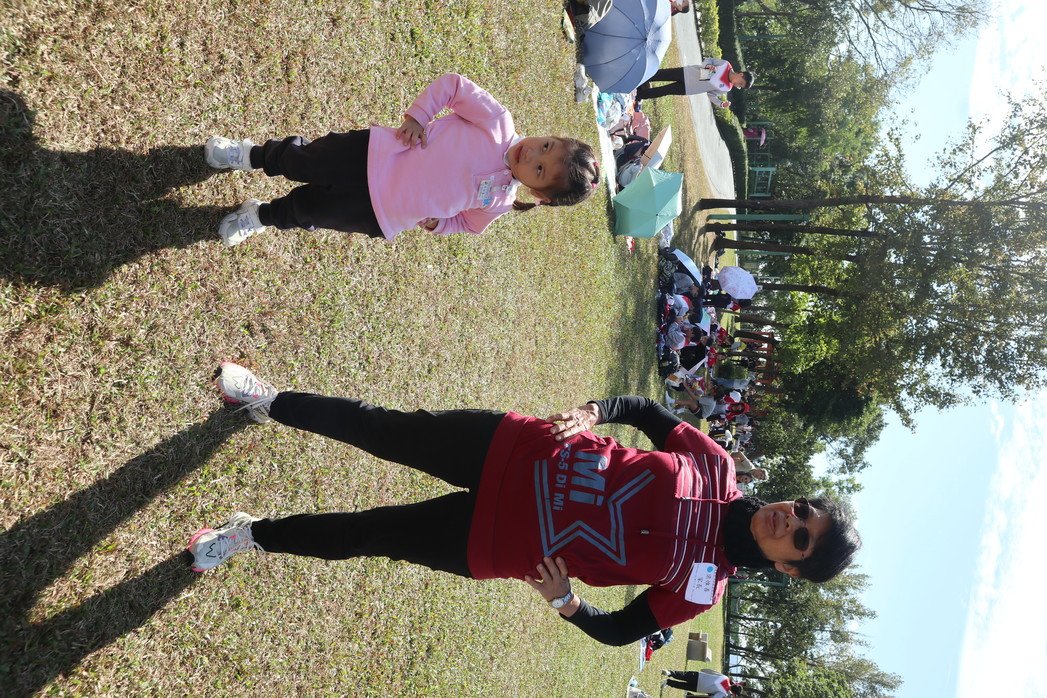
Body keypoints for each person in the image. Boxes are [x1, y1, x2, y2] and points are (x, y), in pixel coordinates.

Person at [187, 363, 861, 645]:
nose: (791, 519)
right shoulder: (716, 466)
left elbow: (621, 632)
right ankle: (269, 401)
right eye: (804, 508)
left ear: (789, 567)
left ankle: (251, 535)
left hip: (494, 543)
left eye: (801, 538)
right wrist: (594, 411)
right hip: (514, 450)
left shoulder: (702, 589)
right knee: (381, 428)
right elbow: (645, 410)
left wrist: (567, 603)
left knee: (368, 535)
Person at [204, 73, 600, 246]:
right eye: (546, 145)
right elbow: (454, 86)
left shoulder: (499, 201)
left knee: (310, 211)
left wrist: (440, 224)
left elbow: (466, 223)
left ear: (538, 193)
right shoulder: (497, 122)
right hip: (372, 155)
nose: (533, 153)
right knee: (302, 161)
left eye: (540, 169)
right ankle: (251, 154)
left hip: (381, 213)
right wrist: (419, 117)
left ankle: (260, 215)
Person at [635, 60, 754, 105]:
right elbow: (708, 60)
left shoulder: (727, 88)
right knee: (660, 75)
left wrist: (720, 103)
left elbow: (711, 94)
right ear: (741, 75)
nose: (738, 85)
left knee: (663, 91)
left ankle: (638, 95)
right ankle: (635, 78)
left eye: (740, 86)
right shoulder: (725, 65)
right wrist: (708, 68)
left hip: (688, 88)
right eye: (741, 83)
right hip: (687, 73)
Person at [661, 669, 743, 696]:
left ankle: (670, 673)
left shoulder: (725, 678)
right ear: (733, 693)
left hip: (700, 676)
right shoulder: (724, 693)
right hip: (699, 688)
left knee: (684, 675)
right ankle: (668, 682)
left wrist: (703, 670)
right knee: (682, 686)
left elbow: (712, 672)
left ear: (735, 684)